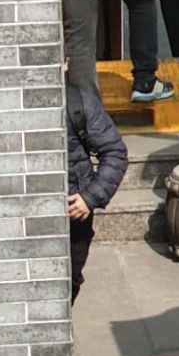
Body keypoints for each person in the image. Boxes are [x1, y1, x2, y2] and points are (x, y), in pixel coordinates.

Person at [68, 65, 127, 290]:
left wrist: (89, 197)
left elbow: (115, 153)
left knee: (71, 281)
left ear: (66, 63)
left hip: (73, 214)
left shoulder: (80, 104)